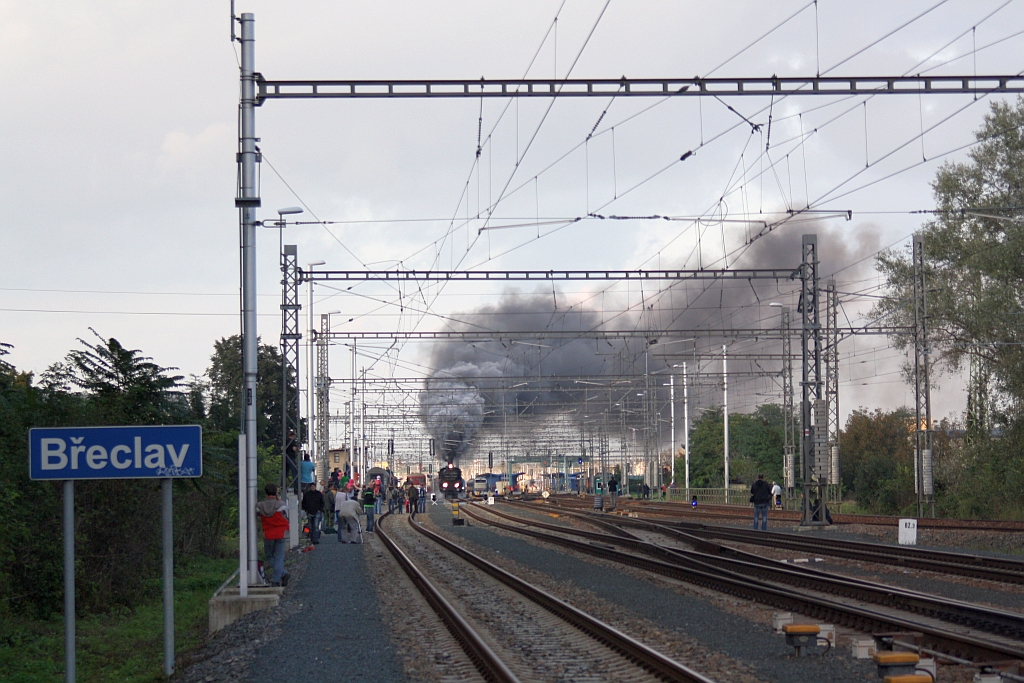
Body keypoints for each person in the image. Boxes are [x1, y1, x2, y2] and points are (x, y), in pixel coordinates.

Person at [255, 483, 290, 586]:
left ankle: (282, 575)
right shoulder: (281, 505)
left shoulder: (259, 505)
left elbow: (256, 514)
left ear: (266, 492)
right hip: (281, 533)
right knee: (279, 557)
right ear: (276, 492)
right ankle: (278, 579)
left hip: (268, 534)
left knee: (270, 556)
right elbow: (286, 516)